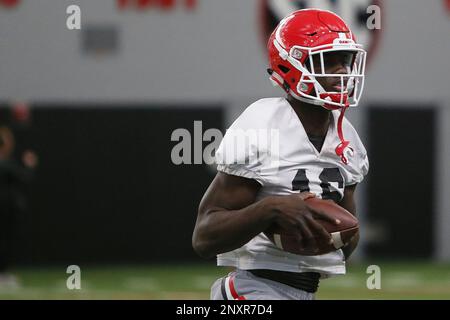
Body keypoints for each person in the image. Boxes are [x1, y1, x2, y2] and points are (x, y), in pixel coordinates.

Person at [192, 9, 369, 300]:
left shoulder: (347, 136)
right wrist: (270, 209)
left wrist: (332, 233)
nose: (341, 71)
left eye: (345, 60)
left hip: (305, 290)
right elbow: (204, 237)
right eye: (328, 60)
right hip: (254, 288)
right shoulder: (262, 124)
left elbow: (346, 238)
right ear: (292, 66)